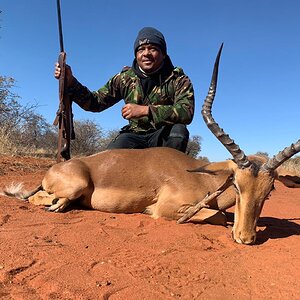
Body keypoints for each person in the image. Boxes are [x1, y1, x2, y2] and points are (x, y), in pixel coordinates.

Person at [55, 27, 195, 152]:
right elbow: (95, 103)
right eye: (141, 49)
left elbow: (186, 112)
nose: (146, 53)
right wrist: (71, 81)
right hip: (134, 134)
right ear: (136, 54)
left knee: (179, 131)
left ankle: (168, 178)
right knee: (109, 158)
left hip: (163, 134)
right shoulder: (123, 79)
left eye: (153, 48)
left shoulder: (179, 80)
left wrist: (146, 110)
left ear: (163, 54)